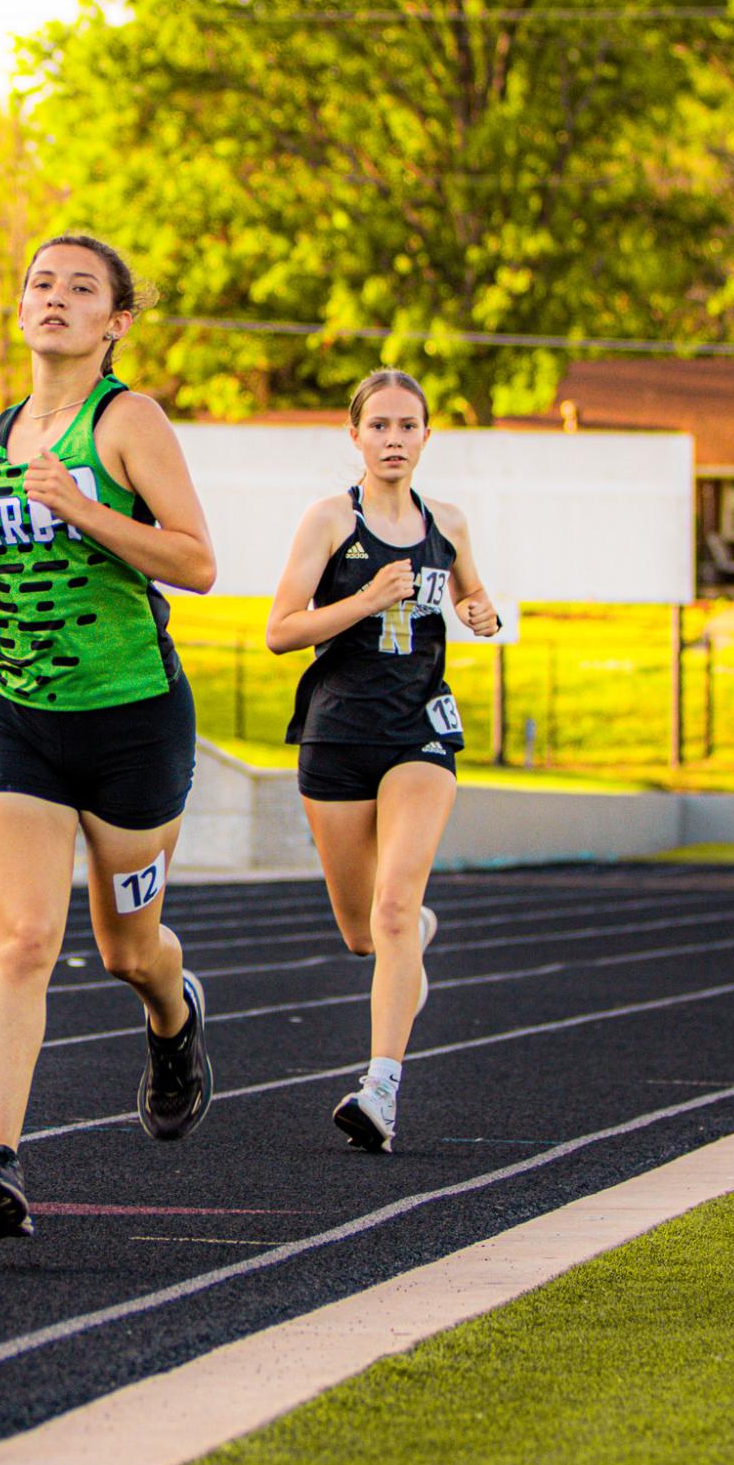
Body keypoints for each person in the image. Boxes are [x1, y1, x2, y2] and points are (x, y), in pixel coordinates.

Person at [0, 233, 217, 1239]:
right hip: (22, 720)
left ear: (113, 322)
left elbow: (196, 563)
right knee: (24, 937)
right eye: (41, 282)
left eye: (80, 288)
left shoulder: (126, 422)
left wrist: (83, 508)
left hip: (131, 723)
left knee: (127, 949)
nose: (54, 298)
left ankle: (172, 1021)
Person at [266, 369, 500, 1155]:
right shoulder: (331, 520)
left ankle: (380, 1091)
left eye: (409, 426)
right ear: (355, 435)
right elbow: (280, 629)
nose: (394, 440)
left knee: (394, 907)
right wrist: (365, 598)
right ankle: (409, 934)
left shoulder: (451, 521)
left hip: (419, 734)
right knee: (365, 933)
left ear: (428, 436)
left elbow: (472, 597)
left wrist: (482, 610)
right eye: (381, 427)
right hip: (336, 735)